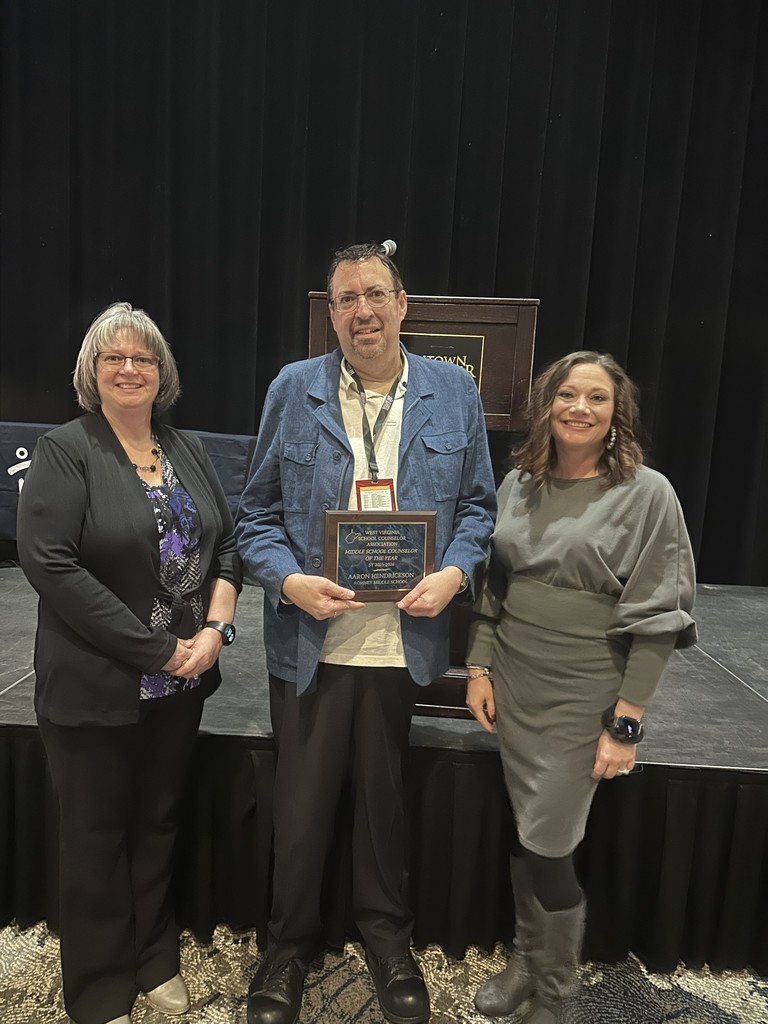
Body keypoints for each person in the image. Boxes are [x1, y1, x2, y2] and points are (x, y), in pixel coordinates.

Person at [236, 242, 496, 1024]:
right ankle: (288, 947)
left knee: (385, 806)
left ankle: (388, 941)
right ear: (332, 312)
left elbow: (480, 508)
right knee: (302, 808)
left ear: (402, 304)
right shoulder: (294, 388)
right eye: (346, 300)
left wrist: (453, 573)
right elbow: (256, 516)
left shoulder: (453, 393)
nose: (362, 312)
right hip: (311, 643)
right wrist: (288, 580)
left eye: (374, 295)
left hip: (403, 645)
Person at [17, 302, 242, 1024]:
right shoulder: (65, 449)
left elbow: (228, 547)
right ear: (91, 371)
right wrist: (161, 650)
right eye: (113, 357)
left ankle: (154, 959)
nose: (128, 368)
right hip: (98, 685)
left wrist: (215, 631)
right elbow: (49, 564)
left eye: (142, 358)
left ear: (162, 372)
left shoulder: (187, 449)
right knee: (95, 837)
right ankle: (100, 986)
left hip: (181, 684)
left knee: (157, 824)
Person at [465, 351, 696, 1024]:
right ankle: (525, 963)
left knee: (550, 837)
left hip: (585, 684)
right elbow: (494, 587)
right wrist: (479, 666)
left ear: (616, 414)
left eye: (596, 398)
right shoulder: (521, 482)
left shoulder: (649, 494)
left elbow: (658, 619)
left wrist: (626, 722)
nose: (579, 407)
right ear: (547, 405)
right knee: (530, 828)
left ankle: (557, 994)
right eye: (567, 394)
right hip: (514, 673)